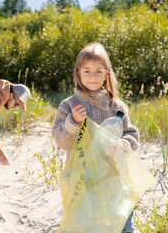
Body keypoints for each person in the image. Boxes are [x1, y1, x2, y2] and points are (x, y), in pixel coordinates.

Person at [51, 43, 139, 232]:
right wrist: (72, 122)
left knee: (124, 223)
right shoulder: (69, 105)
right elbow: (61, 141)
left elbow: (132, 135)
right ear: (78, 74)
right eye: (87, 71)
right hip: (84, 182)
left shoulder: (116, 105)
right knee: (87, 225)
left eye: (98, 71)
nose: (92, 76)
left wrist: (123, 145)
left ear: (107, 74)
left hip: (114, 178)